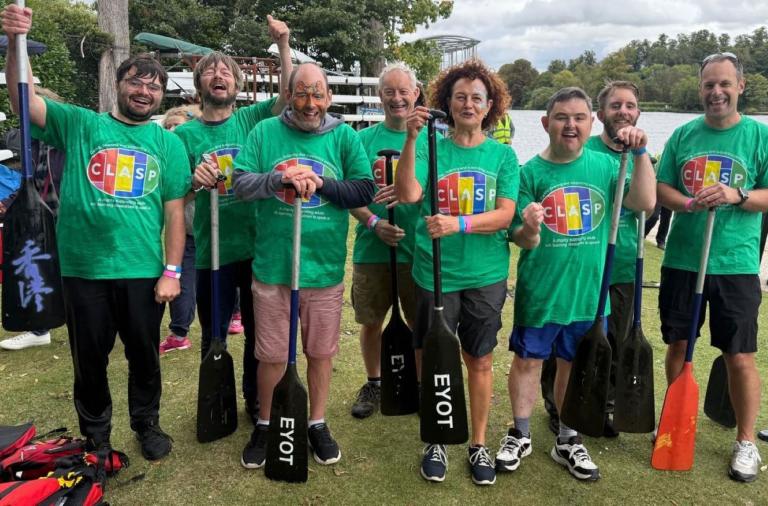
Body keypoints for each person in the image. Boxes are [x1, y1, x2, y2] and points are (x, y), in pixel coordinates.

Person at [2, 5, 189, 461]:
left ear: (161, 95)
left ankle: (147, 425)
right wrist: (14, 43)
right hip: (84, 270)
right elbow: (23, 101)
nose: (144, 90)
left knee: (144, 357)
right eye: (136, 81)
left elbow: (175, 213)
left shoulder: (168, 144)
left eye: (154, 85)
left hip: (142, 270)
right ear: (118, 86)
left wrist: (172, 271)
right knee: (90, 362)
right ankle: (97, 434)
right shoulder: (83, 124)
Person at [501, 87, 655, 482]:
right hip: (542, 290)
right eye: (562, 117)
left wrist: (639, 154)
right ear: (545, 122)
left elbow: (644, 202)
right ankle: (519, 433)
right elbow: (520, 239)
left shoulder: (607, 166)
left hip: (590, 293)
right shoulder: (528, 173)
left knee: (575, 362)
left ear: (591, 122)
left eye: (579, 118)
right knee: (528, 361)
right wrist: (531, 228)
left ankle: (567, 438)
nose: (571, 125)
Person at [231, 62, 375, 469]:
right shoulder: (264, 132)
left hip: (322, 268)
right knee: (272, 353)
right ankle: (265, 422)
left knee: (320, 351)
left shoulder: (344, 136)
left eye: (318, 94)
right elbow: (241, 184)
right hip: (274, 267)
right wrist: (279, 181)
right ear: (289, 95)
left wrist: (321, 182)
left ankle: (316, 422)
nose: (310, 103)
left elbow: (363, 188)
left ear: (329, 97)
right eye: (301, 94)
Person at [396, 59, 518, 486]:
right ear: (447, 101)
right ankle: (436, 439)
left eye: (477, 98)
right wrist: (411, 139)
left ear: (489, 107)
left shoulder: (503, 156)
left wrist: (457, 223)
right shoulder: (432, 146)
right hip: (436, 274)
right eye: (460, 96)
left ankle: (478, 443)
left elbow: (505, 216)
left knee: (479, 359)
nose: (468, 104)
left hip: (485, 275)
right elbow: (410, 194)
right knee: (434, 360)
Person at [656, 52, 767, 483]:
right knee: (678, 346)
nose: (716, 92)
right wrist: (687, 202)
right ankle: (674, 422)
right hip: (684, 259)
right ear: (700, 88)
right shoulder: (684, 135)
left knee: (739, 354)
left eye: (724, 84)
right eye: (708, 85)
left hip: (735, 264)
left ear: (740, 86)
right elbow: (662, 187)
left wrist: (737, 196)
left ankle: (745, 442)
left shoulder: (759, 136)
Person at [177, 16, 293, 423]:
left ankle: (255, 400)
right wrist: (193, 180)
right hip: (213, 253)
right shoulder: (184, 137)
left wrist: (283, 45)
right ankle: (218, 398)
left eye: (226, 71)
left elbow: (288, 93)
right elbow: (173, 196)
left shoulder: (250, 121)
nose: (218, 75)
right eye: (210, 71)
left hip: (256, 248)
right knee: (215, 332)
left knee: (260, 334)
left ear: (237, 85)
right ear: (200, 84)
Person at [347, 62, 425, 419]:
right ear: (379, 97)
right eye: (389, 92)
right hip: (372, 248)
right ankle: (375, 382)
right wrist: (375, 222)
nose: (397, 99)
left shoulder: (432, 142)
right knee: (372, 320)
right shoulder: (362, 141)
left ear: (416, 93)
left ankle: (420, 386)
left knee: (419, 323)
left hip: (417, 249)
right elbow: (351, 194)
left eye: (403, 91)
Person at [160, 105, 201, 354]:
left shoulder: (199, 150)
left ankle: (236, 314)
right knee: (182, 280)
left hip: (213, 230)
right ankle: (179, 332)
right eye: (168, 126)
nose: (173, 130)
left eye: (179, 126)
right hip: (184, 231)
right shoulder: (166, 156)